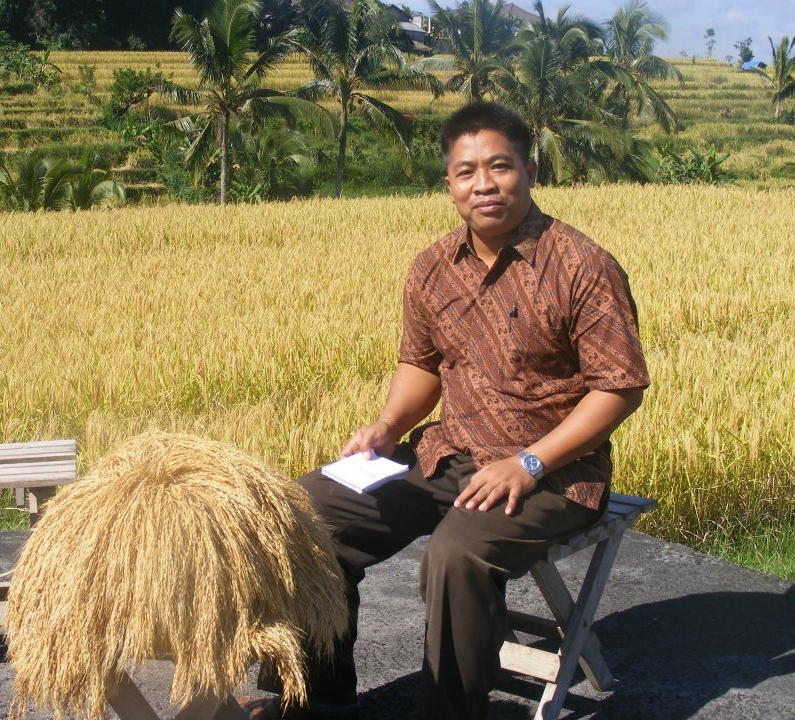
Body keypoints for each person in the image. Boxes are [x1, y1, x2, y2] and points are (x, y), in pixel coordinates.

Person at [244, 101, 650, 720]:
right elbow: (422, 365)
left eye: (500, 167)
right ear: (449, 184)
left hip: (555, 473)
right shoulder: (432, 268)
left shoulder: (581, 264)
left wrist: (529, 463)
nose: (483, 184)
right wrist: (387, 427)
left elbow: (619, 388)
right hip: (445, 456)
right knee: (300, 514)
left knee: (456, 556)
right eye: (467, 172)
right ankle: (315, 696)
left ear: (530, 171)